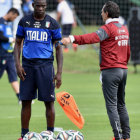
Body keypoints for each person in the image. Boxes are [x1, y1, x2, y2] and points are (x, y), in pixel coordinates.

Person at [61, 1, 130, 140]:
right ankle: (126, 137)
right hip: (123, 70)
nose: (101, 13)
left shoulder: (108, 28)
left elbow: (92, 37)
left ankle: (118, 136)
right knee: (121, 105)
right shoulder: (123, 28)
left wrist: (72, 38)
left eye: (102, 11)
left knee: (111, 106)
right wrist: (122, 64)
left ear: (107, 13)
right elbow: (127, 51)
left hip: (111, 71)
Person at [14, 0, 63, 139]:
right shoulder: (24, 22)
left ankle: (50, 134)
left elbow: (59, 48)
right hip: (27, 67)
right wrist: (18, 65)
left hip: (46, 67)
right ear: (33, 6)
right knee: (26, 101)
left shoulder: (52, 23)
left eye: (43, 6)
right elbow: (17, 44)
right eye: (38, 6)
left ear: (46, 7)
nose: (40, 8)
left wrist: (59, 72)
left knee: (49, 102)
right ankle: (24, 135)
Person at [0, 8, 20, 103]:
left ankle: (20, 97)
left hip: (9, 54)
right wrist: (10, 40)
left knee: (13, 75)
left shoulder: (8, 24)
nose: (14, 19)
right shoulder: (0, 21)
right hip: (2, 54)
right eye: (14, 17)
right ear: (11, 13)